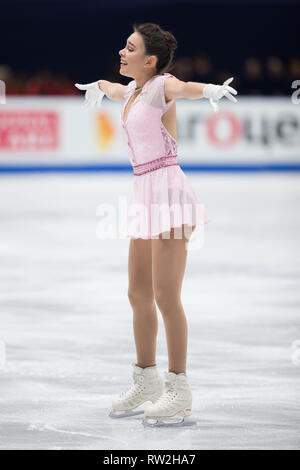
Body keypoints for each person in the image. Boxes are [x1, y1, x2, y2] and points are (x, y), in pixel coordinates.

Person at [75, 22, 237, 427]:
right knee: (137, 292)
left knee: (167, 296)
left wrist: (211, 90)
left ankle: (179, 388)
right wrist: (98, 85)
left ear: (150, 61)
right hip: (143, 193)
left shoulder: (162, 85)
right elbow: (114, 89)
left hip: (169, 192)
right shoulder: (132, 91)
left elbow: (185, 87)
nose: (122, 53)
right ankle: (145, 378)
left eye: (130, 49)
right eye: (124, 47)